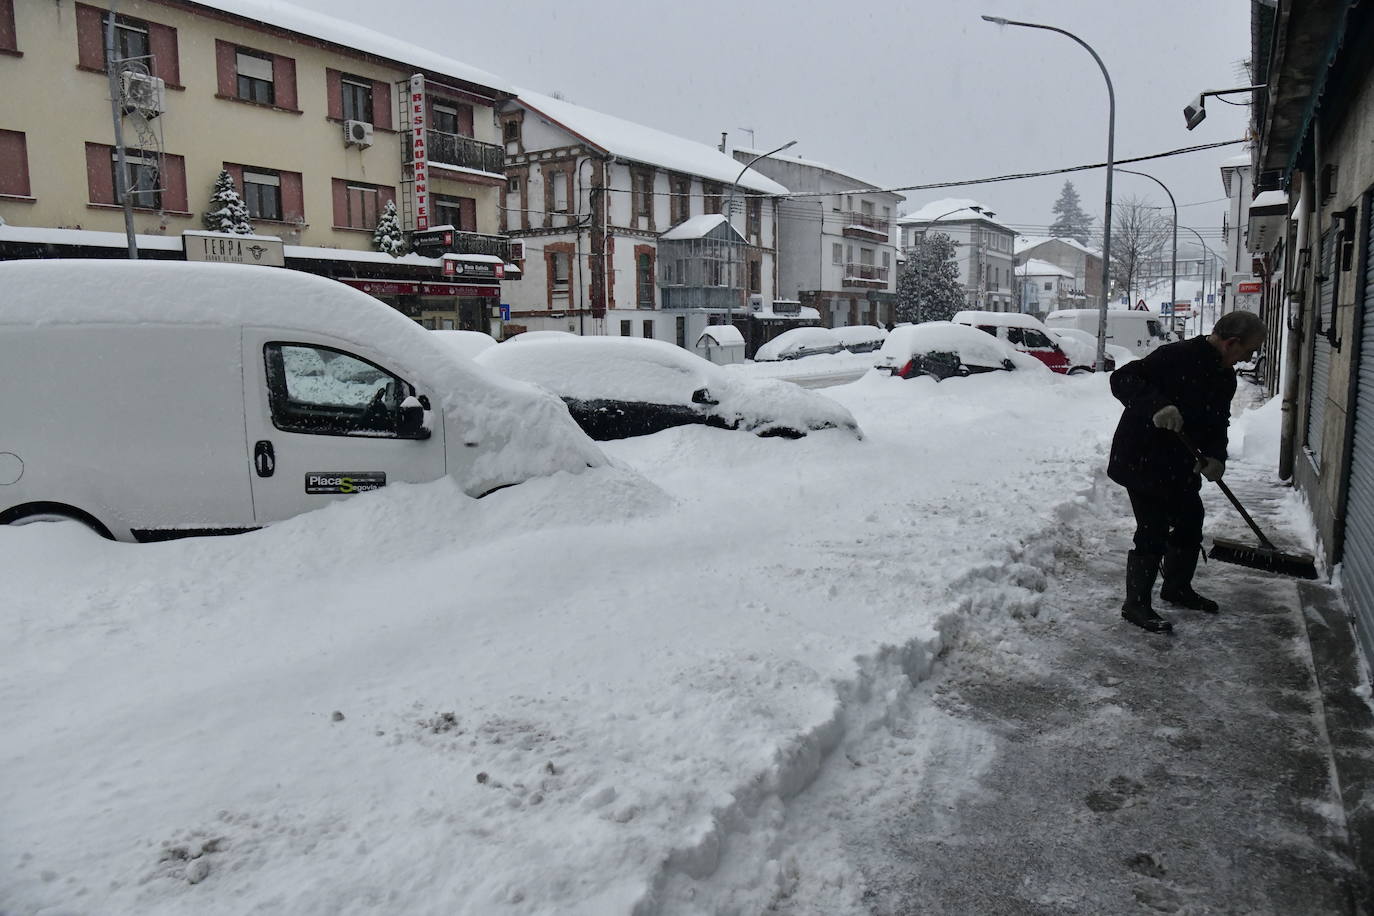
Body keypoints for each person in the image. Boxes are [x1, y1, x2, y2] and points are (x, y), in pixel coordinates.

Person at [1107, 310, 1267, 633]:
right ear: (1231, 343)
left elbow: (1217, 422)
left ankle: (1176, 588)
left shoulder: (1225, 377)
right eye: (1249, 350)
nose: (1249, 357)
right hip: (1142, 457)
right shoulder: (1177, 356)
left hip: (1178, 463)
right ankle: (1135, 604)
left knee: (1191, 518)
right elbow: (1122, 379)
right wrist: (1157, 406)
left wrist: (1216, 457)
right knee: (1153, 528)